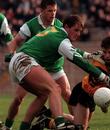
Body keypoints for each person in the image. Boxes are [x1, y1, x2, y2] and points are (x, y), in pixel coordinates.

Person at [8, 15, 110, 130]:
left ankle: (25, 127)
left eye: (80, 31)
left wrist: (88, 55)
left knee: (43, 95)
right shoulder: (62, 40)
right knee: (55, 88)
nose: (78, 34)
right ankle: (60, 125)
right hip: (24, 60)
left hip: (18, 61)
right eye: (76, 30)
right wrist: (104, 77)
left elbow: (72, 49)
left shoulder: (56, 30)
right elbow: (79, 62)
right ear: (67, 27)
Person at [3, 0, 72, 130]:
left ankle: (79, 125)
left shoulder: (60, 25)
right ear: (42, 10)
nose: (53, 14)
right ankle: (7, 126)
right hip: (33, 67)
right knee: (18, 98)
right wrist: (12, 54)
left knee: (68, 95)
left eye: (55, 11)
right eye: (49, 11)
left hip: (54, 67)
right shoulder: (31, 25)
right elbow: (15, 41)